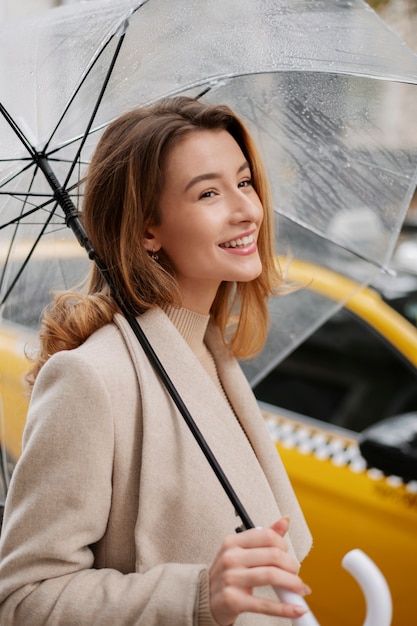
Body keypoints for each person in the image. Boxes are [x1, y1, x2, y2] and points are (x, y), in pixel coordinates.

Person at [0, 96, 312, 625]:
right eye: (209, 192)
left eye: (244, 181)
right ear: (148, 230)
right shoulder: (91, 378)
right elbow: (24, 599)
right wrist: (196, 595)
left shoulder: (211, 355)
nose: (246, 210)